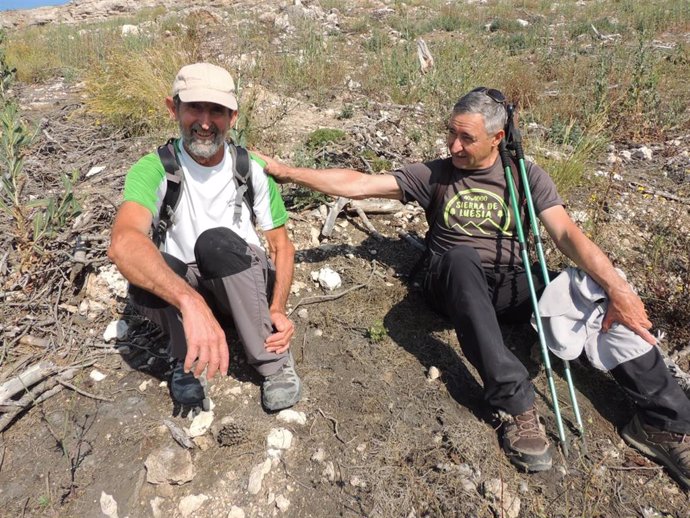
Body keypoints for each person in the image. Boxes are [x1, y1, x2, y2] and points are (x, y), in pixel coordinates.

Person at [255, 88, 690, 487]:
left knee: (593, 291)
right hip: (451, 281)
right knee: (462, 257)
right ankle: (514, 404)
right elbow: (360, 184)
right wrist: (285, 171)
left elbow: (566, 236)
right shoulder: (437, 174)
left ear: (497, 137)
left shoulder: (525, 175)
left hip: (513, 283)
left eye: (466, 138)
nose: (454, 146)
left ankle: (664, 422)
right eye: (451, 134)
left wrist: (617, 288)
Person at [108, 63, 301, 412]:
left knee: (214, 243)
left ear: (233, 117)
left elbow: (281, 245)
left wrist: (277, 307)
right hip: (189, 294)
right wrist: (190, 301)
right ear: (174, 109)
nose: (206, 121)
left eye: (217, 111)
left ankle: (272, 361)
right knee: (148, 273)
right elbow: (124, 242)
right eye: (195, 107)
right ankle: (187, 360)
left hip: (241, 279)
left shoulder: (250, 168)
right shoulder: (153, 169)